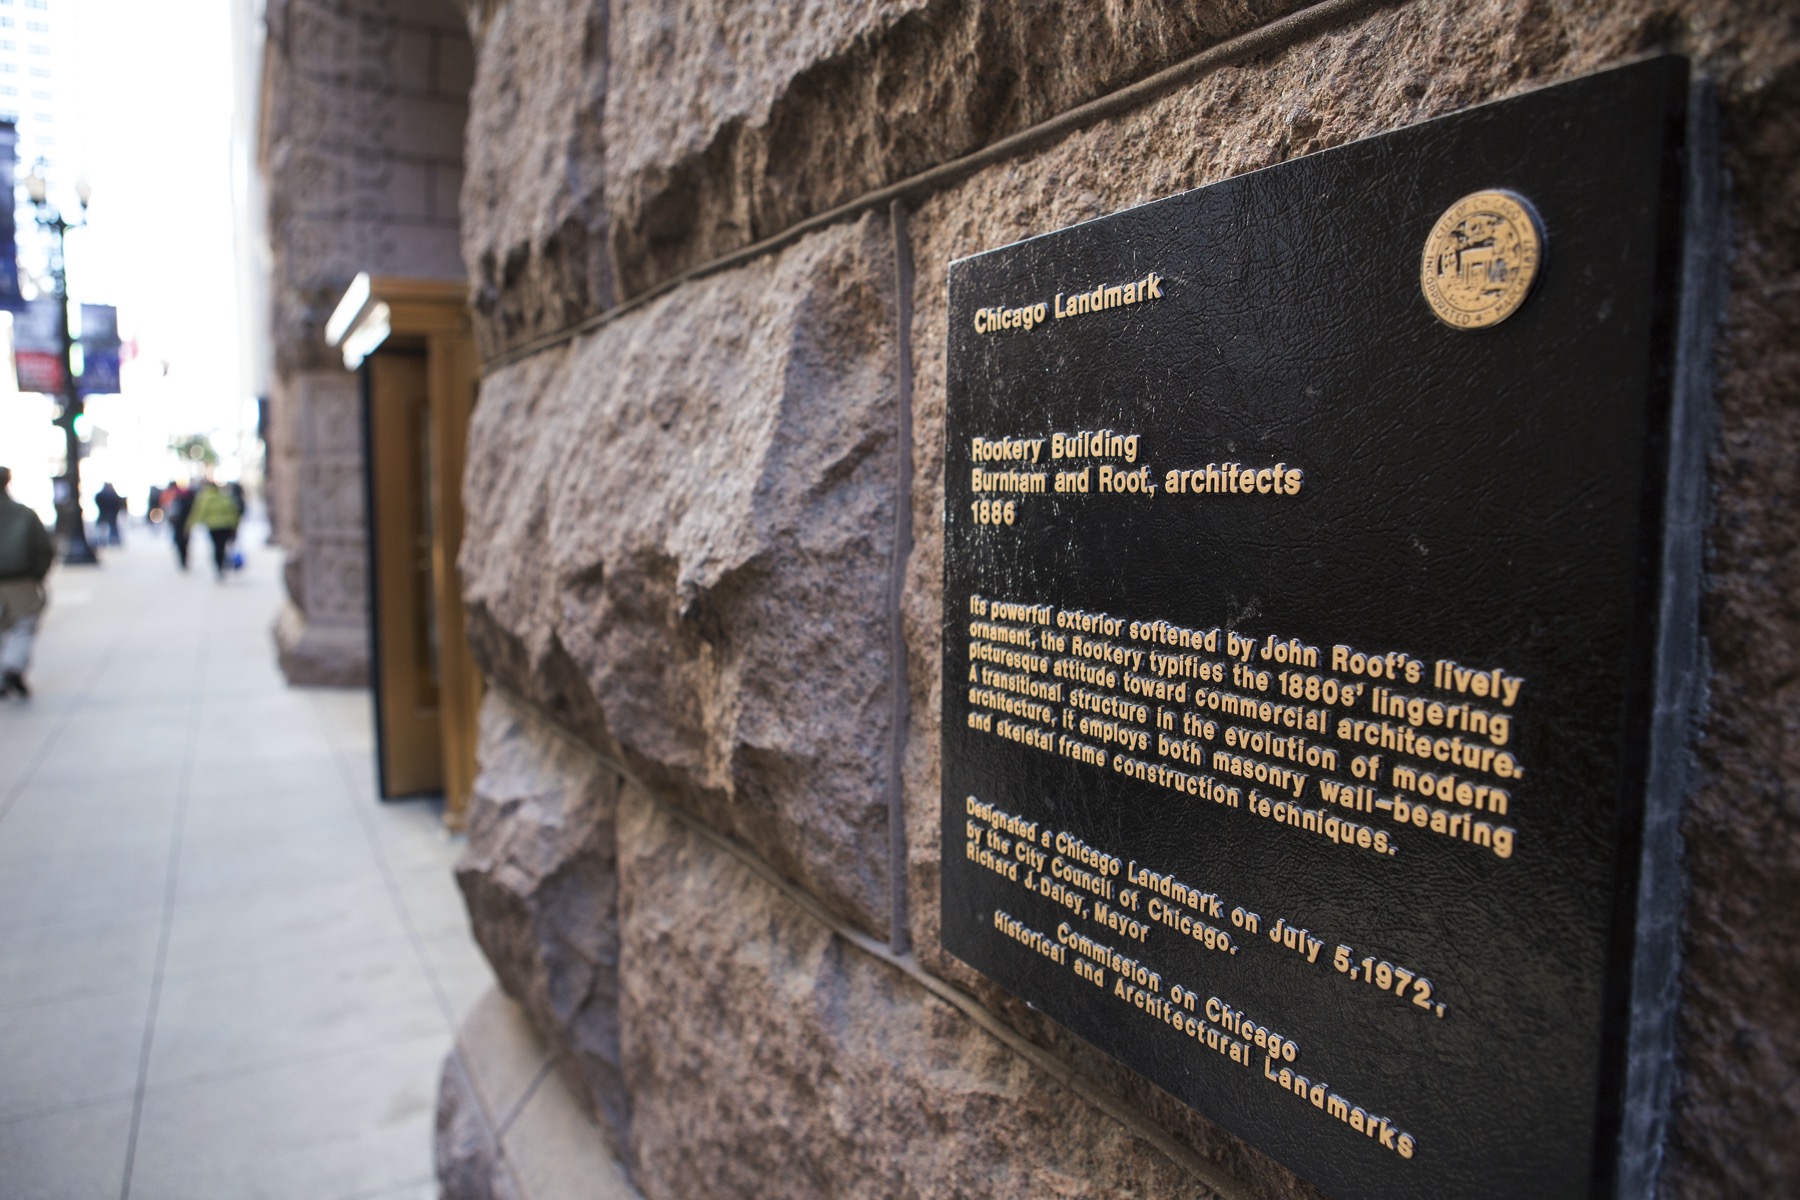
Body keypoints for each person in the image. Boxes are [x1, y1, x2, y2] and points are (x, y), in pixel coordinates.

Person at [0, 466, 54, 698]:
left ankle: (8, 669)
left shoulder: (26, 515)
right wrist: (36, 575)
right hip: (20, 579)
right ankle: (11, 667)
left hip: (20, 578)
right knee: (23, 626)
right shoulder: (24, 514)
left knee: (14, 627)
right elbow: (44, 549)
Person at [187, 480, 241, 580]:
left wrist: (191, 523)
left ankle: (219, 566)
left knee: (216, 547)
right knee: (223, 546)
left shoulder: (206, 498)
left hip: (213, 527)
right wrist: (234, 525)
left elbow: (200, 512)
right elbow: (232, 512)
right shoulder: (225, 497)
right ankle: (221, 564)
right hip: (225, 526)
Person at [167, 482, 195, 570]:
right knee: (184, 543)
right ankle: (184, 561)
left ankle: (183, 561)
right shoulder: (188, 501)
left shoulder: (177, 500)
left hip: (179, 525)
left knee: (181, 543)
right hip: (185, 525)